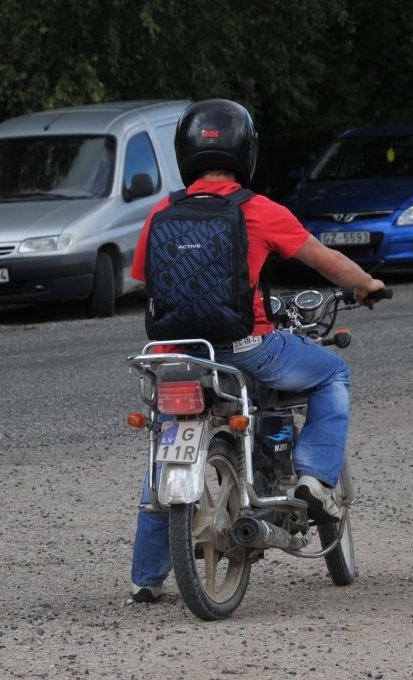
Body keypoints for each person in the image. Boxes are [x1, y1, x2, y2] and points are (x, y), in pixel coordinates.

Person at [129, 99, 385, 603]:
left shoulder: (162, 211)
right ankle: (313, 479)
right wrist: (366, 284)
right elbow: (325, 260)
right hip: (246, 349)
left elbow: (144, 278)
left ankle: (145, 578)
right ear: (246, 151)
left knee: (166, 448)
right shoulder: (258, 209)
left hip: (174, 355)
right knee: (332, 373)